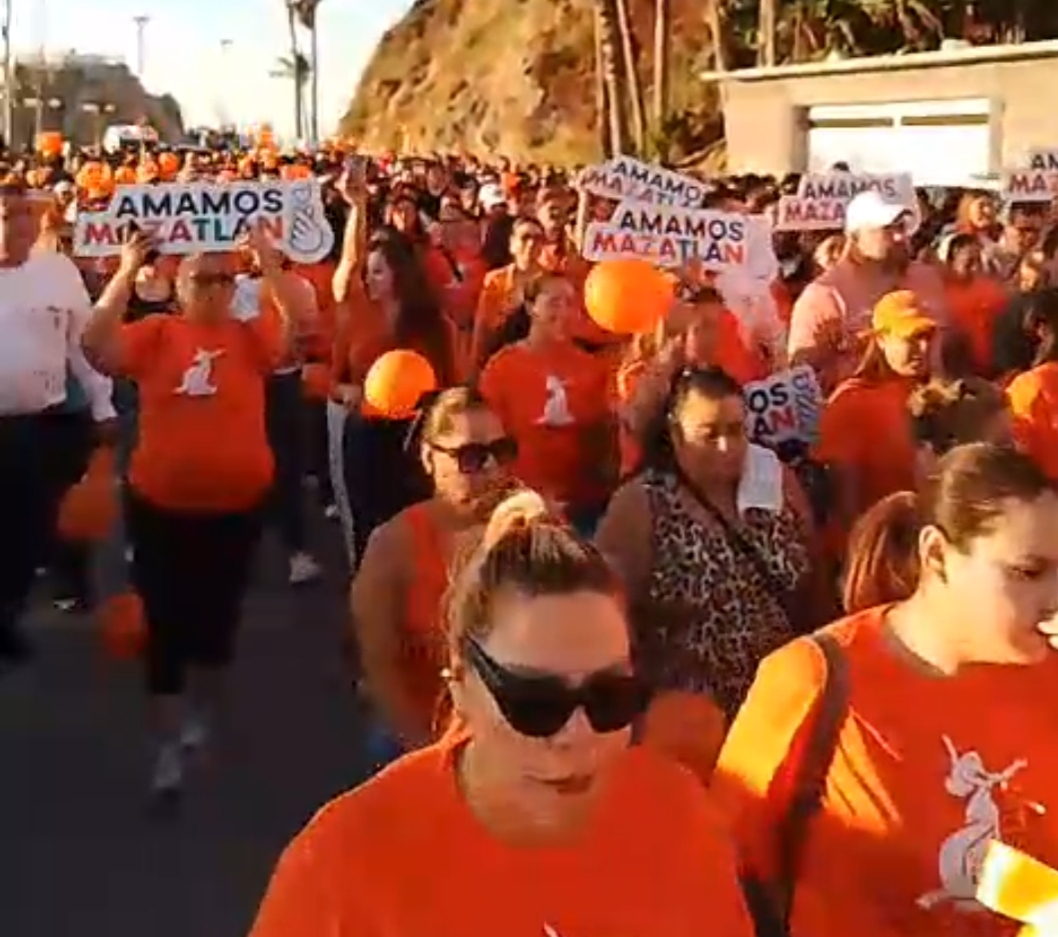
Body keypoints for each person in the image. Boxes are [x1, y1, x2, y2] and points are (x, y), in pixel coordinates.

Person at [249, 492, 754, 937]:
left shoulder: (680, 815)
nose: (575, 735)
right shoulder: (342, 866)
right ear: (462, 685)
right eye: (534, 704)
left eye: (609, 697)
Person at [715, 443, 1058, 937]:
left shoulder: (1046, 675)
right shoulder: (816, 679)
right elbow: (721, 870)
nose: (1053, 596)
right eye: (1028, 572)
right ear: (937, 555)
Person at [82, 227, 294, 805]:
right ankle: (169, 743)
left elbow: (299, 333)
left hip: (235, 507)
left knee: (218, 618)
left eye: (226, 278)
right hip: (161, 507)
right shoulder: (157, 334)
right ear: (178, 285)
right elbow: (95, 345)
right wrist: (126, 271)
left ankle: (202, 710)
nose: (216, 288)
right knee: (166, 622)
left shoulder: (250, 337)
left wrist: (271, 266)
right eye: (203, 277)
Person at [352, 387, 516, 762]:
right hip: (425, 731)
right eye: (471, 456)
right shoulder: (393, 546)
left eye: (501, 452)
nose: (492, 468)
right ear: (429, 458)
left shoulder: (532, 527)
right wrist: (427, 755)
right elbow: (380, 664)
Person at [0, 179, 115, 662]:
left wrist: (103, 404)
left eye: (27, 215)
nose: (20, 226)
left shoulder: (57, 272)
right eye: (9, 216)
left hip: (36, 425)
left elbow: (82, 345)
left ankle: (7, 610)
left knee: (30, 530)